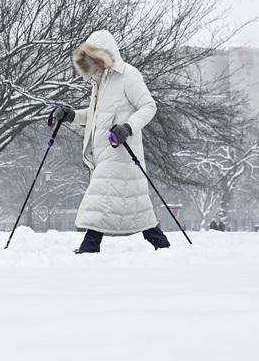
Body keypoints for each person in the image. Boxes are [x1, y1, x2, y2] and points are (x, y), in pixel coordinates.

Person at [50, 29, 170, 253]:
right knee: (132, 205)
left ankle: (90, 245)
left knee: (100, 198)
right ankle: (160, 243)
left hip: (122, 151)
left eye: (97, 56)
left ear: (108, 54)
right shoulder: (100, 81)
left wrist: (128, 127)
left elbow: (149, 106)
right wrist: (72, 115)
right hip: (106, 152)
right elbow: (96, 115)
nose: (93, 61)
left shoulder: (128, 76)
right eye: (90, 57)